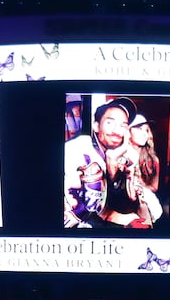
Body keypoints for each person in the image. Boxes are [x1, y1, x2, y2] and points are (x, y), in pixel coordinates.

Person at [63, 96, 162, 229]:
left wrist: (113, 167)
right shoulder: (76, 149)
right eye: (110, 123)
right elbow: (87, 210)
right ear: (96, 126)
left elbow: (110, 207)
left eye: (123, 125)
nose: (116, 131)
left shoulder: (126, 156)